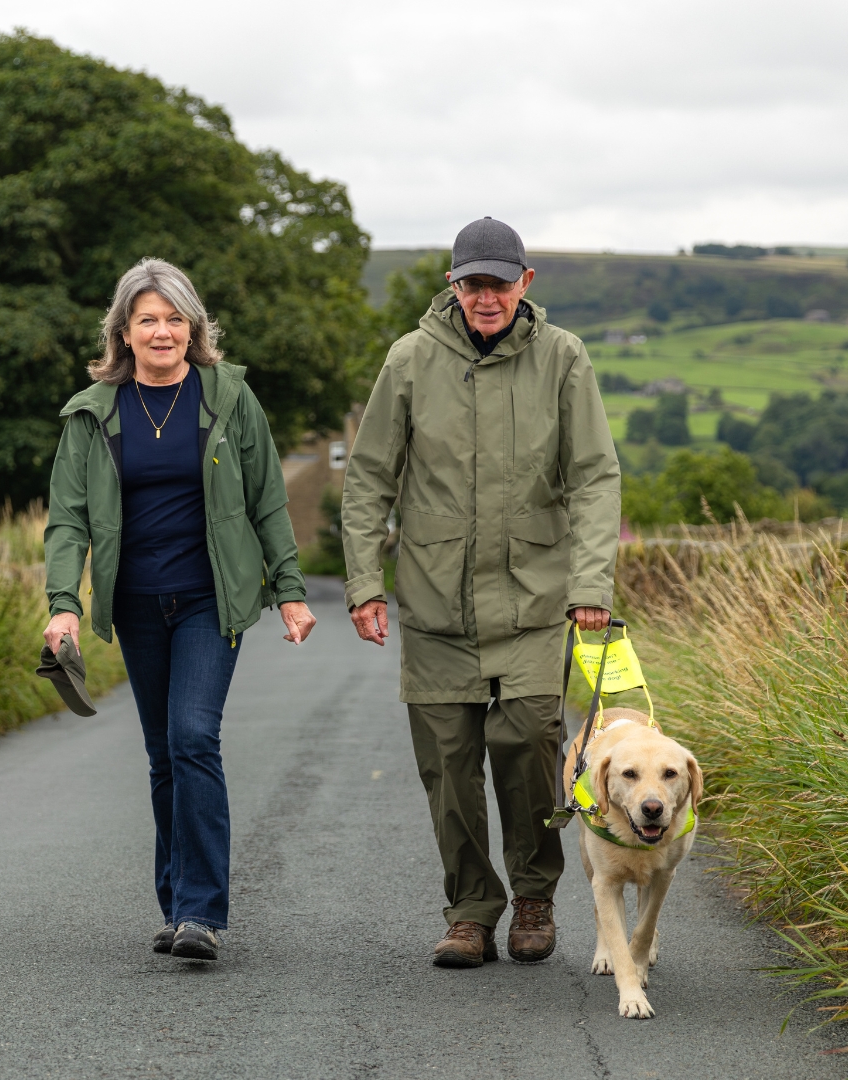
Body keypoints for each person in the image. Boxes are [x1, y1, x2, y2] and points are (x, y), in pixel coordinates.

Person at [341, 218, 621, 969]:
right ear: (452, 284)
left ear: (525, 284)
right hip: (435, 600)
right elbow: (369, 477)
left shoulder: (564, 358)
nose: (486, 297)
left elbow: (594, 475)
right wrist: (365, 581)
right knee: (449, 763)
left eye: (500, 282)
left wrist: (591, 583)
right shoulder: (409, 360)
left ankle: (534, 896)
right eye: (473, 283)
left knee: (530, 741)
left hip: (533, 599)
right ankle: (470, 911)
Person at [43, 257, 317, 962]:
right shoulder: (91, 412)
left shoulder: (228, 398)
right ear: (124, 332)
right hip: (134, 602)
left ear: (193, 327)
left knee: (194, 736)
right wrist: (64, 605)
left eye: (173, 319)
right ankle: (175, 904)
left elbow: (267, 500)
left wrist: (288, 591)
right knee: (163, 754)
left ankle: (201, 912)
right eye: (146, 320)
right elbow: (67, 519)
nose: (161, 332)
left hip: (209, 599)